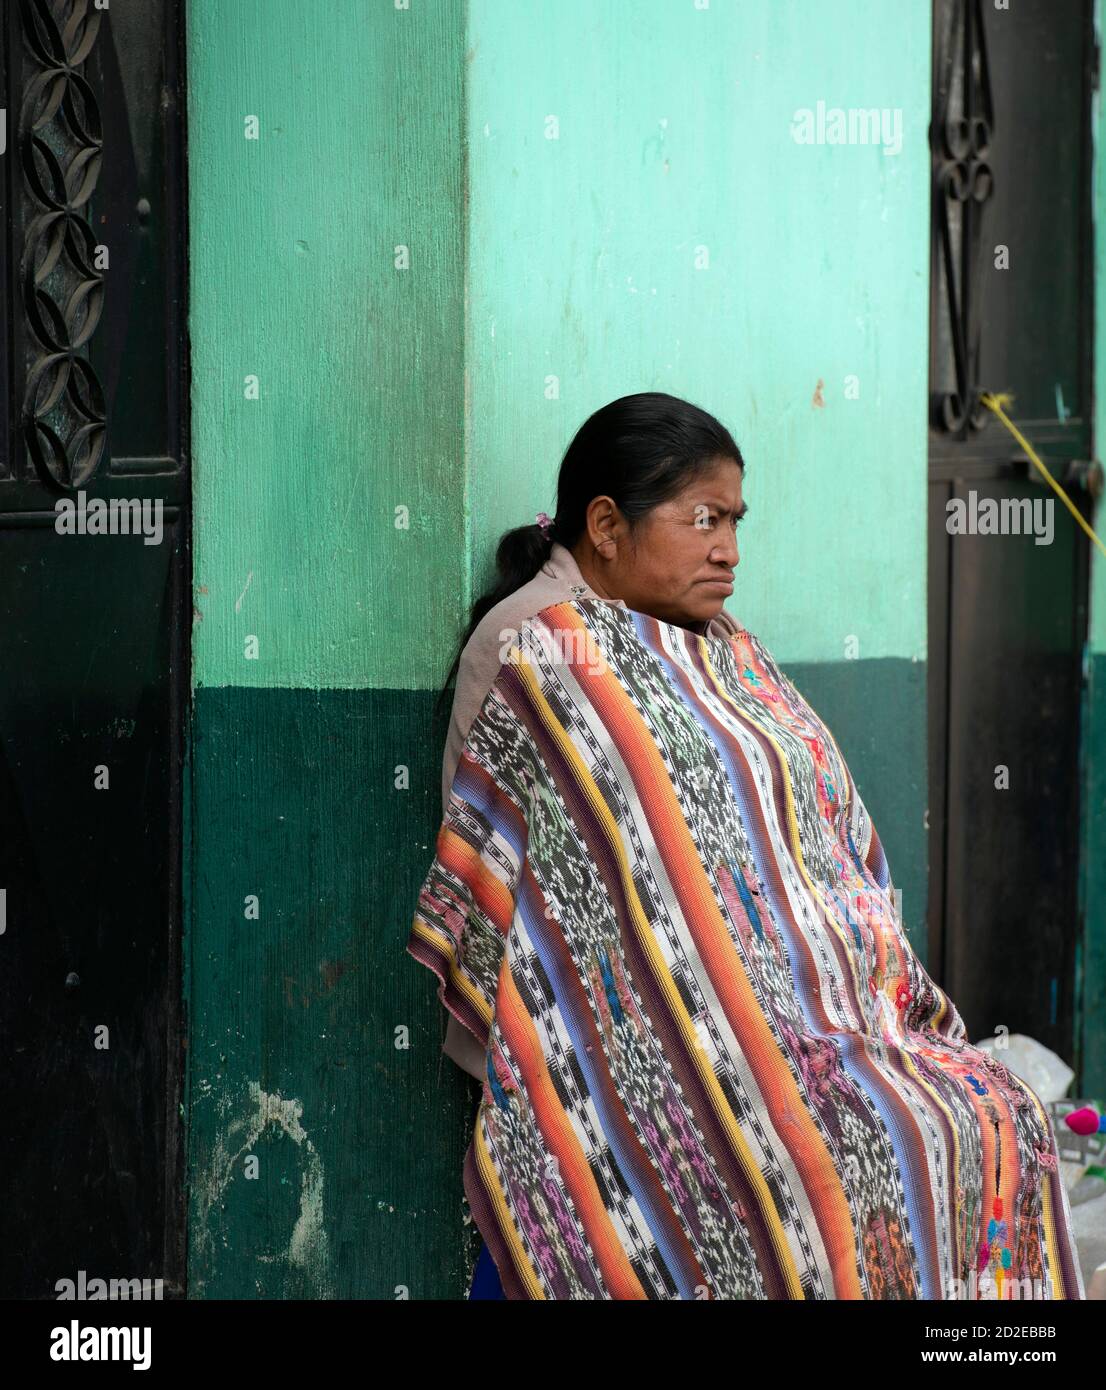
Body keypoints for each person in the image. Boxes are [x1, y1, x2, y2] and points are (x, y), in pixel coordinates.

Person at [411, 391, 1084, 1300]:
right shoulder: (538, 649)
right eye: (704, 519)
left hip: (768, 1015)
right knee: (841, 1160)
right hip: (611, 1034)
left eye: (734, 520)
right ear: (607, 525)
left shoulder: (713, 644)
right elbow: (599, 890)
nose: (729, 548)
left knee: (991, 1119)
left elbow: (800, 831)